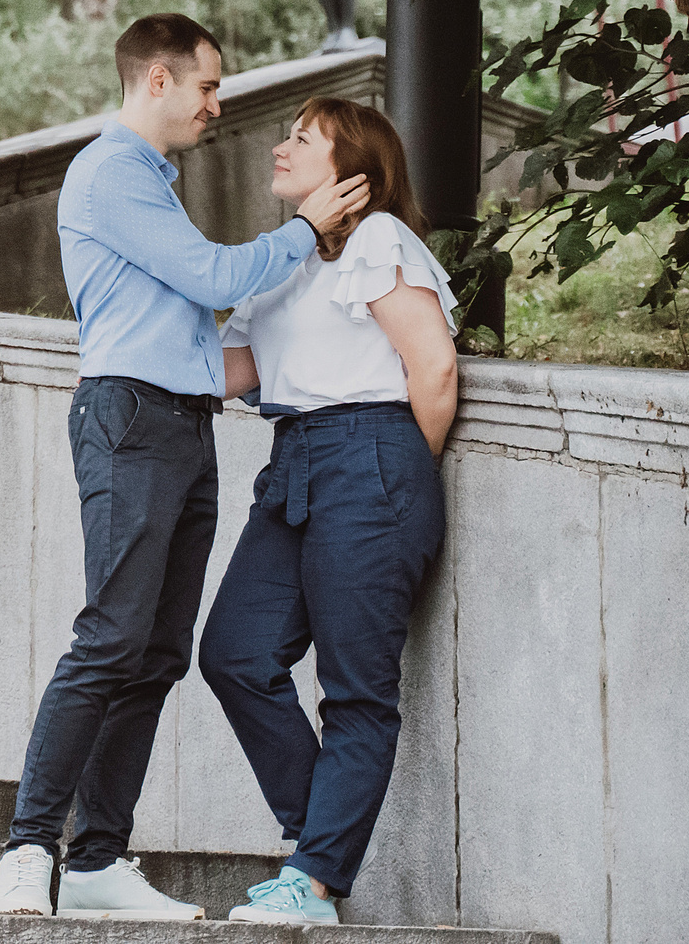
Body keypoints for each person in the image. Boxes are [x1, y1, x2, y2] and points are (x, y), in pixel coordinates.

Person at [0, 15, 371, 919]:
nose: (217, 104)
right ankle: (28, 847)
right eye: (206, 86)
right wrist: (304, 227)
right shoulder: (110, 170)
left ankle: (96, 861)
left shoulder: (150, 180)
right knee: (111, 638)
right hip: (129, 418)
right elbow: (207, 276)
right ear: (156, 80)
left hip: (181, 426)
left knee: (157, 651)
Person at [197, 96, 460, 926]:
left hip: (373, 454)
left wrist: (394, 475)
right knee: (235, 650)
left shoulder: (378, 239)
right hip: (294, 463)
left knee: (355, 693)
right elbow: (222, 371)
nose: (279, 148)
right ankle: (321, 837)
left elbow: (434, 367)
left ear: (354, 174)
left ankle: (311, 882)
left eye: (301, 139)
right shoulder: (283, 261)